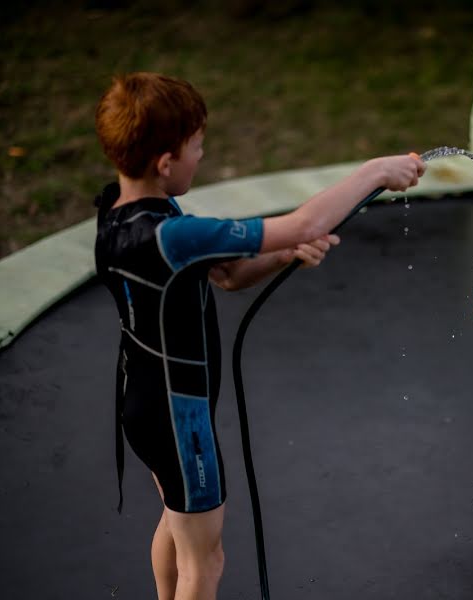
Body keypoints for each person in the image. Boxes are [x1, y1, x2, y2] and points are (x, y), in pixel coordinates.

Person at [93, 71, 425, 600]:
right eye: (197, 146)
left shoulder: (121, 215)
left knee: (178, 529)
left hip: (142, 405)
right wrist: (375, 172)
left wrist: (284, 255)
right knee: (207, 562)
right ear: (165, 162)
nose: (202, 156)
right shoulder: (176, 233)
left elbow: (226, 275)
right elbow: (303, 222)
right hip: (181, 421)